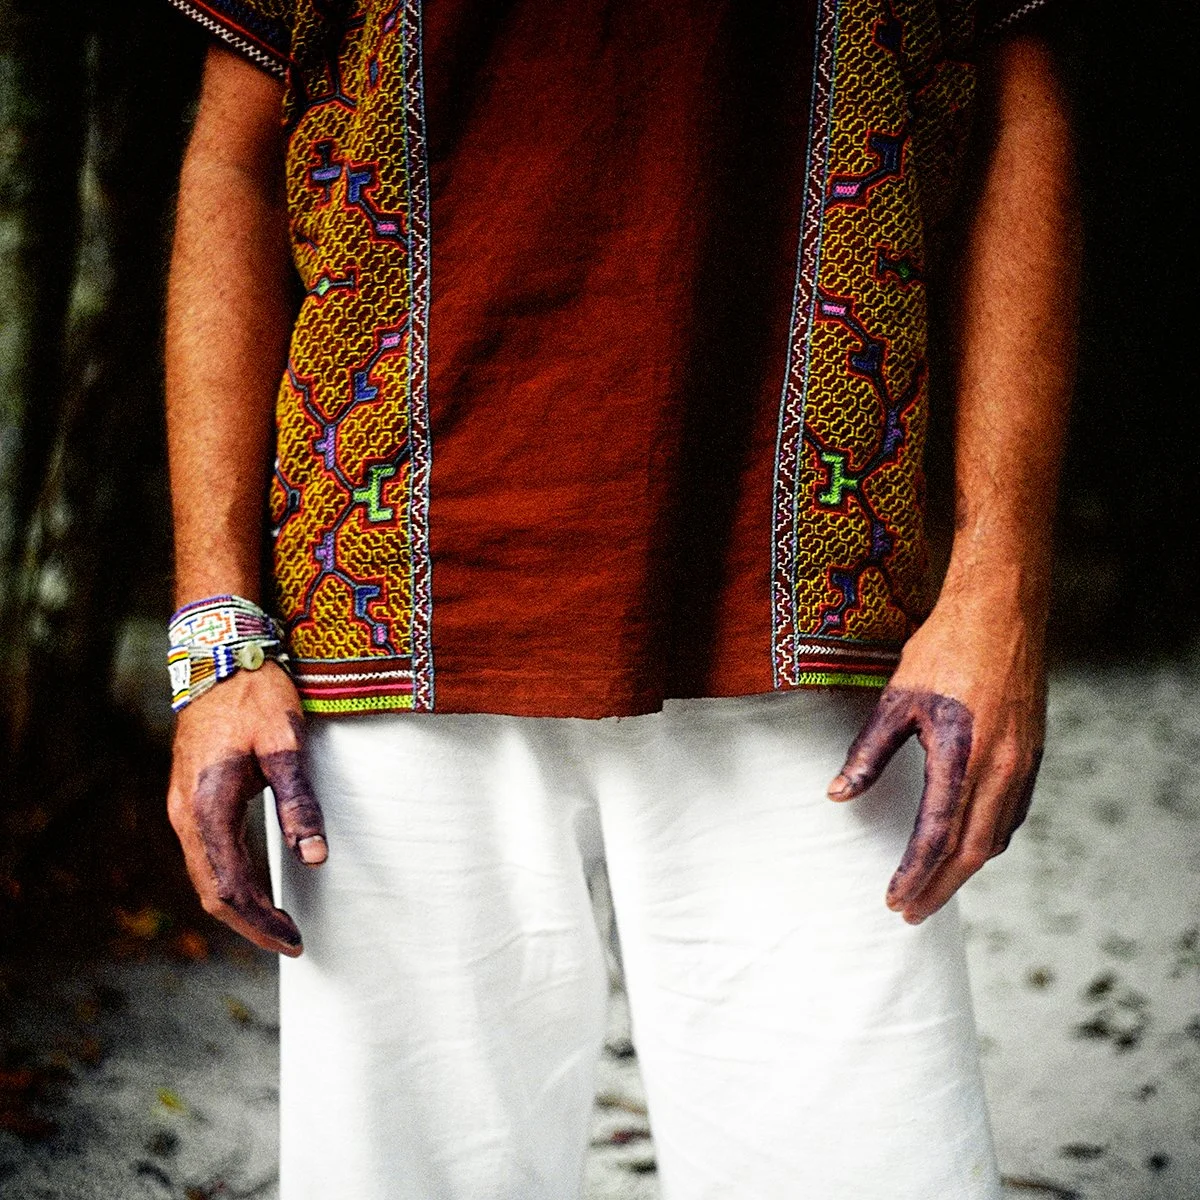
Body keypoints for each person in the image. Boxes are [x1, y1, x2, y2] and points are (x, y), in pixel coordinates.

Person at [163, 0, 1078, 1196]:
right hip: (385, 603)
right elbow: (236, 150)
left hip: (805, 605)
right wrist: (218, 631)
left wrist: (1001, 587)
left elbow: (1016, 103)